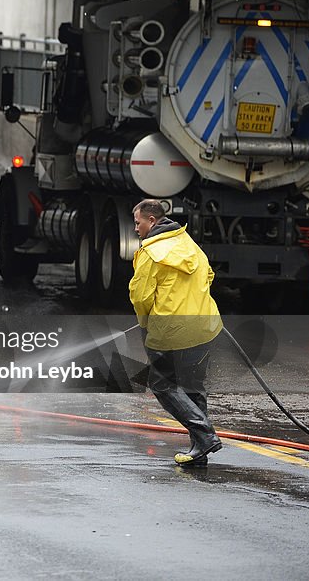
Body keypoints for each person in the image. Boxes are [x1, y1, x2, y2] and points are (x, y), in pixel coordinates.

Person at [129, 199, 224, 467]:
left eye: (138, 223)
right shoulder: (187, 242)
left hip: (172, 330)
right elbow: (208, 276)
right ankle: (200, 448)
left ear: (151, 221)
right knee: (193, 385)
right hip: (205, 326)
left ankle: (205, 435)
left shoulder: (150, 252)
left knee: (162, 384)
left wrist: (145, 325)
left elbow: (141, 297)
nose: (136, 229)